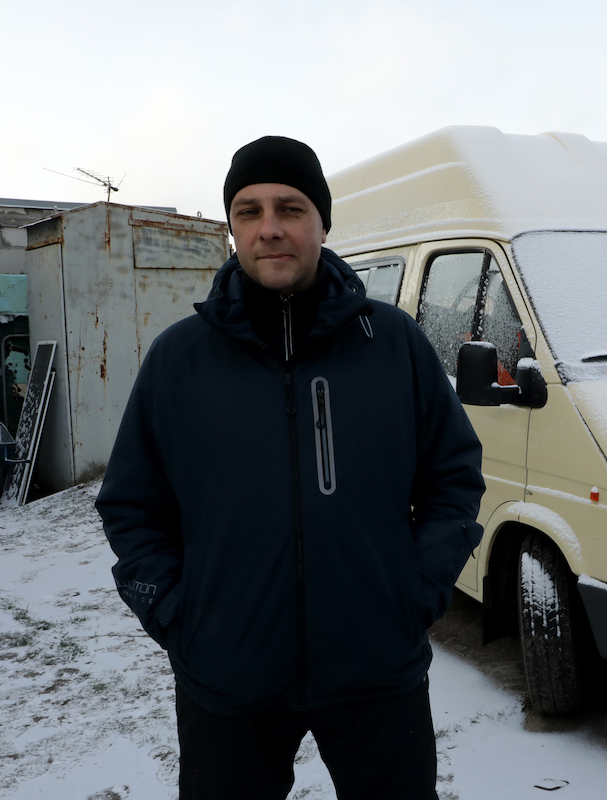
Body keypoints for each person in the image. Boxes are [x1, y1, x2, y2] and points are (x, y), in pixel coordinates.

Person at [96, 135, 486, 800]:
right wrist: (178, 617)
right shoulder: (180, 360)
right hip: (228, 678)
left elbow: (453, 476)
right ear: (232, 230)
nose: (269, 228)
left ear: (322, 222)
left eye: (290, 208)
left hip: (375, 671)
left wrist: (414, 591)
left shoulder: (392, 346)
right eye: (248, 212)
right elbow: (132, 503)